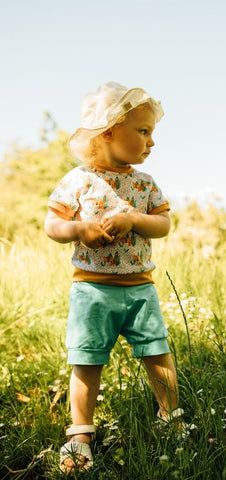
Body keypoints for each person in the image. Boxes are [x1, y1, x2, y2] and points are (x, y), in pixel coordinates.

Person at [45, 82, 182, 474]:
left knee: (157, 352)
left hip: (140, 288)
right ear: (107, 132)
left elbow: (163, 224)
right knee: (86, 360)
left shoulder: (144, 183)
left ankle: (170, 418)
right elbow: (52, 224)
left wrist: (134, 219)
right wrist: (79, 230)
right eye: (142, 131)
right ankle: (80, 434)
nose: (150, 142)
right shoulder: (78, 181)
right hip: (92, 289)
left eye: (151, 133)